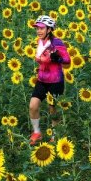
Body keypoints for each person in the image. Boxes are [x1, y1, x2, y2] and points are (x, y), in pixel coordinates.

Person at [29, 15, 71, 145]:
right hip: (42, 80)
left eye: (42, 28)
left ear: (49, 29)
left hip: (55, 81)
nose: (39, 31)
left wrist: (56, 58)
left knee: (52, 109)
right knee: (33, 105)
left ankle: (55, 135)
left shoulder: (56, 43)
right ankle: (37, 132)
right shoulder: (39, 42)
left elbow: (67, 61)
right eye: (37, 29)